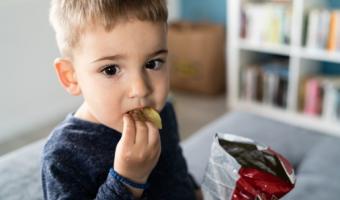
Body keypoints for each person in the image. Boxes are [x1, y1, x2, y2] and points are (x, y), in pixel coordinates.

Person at [41, 0, 203, 199]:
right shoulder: (62, 156)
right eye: (111, 70)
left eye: (153, 63)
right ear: (71, 76)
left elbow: (175, 171)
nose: (141, 89)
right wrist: (128, 180)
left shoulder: (164, 113)